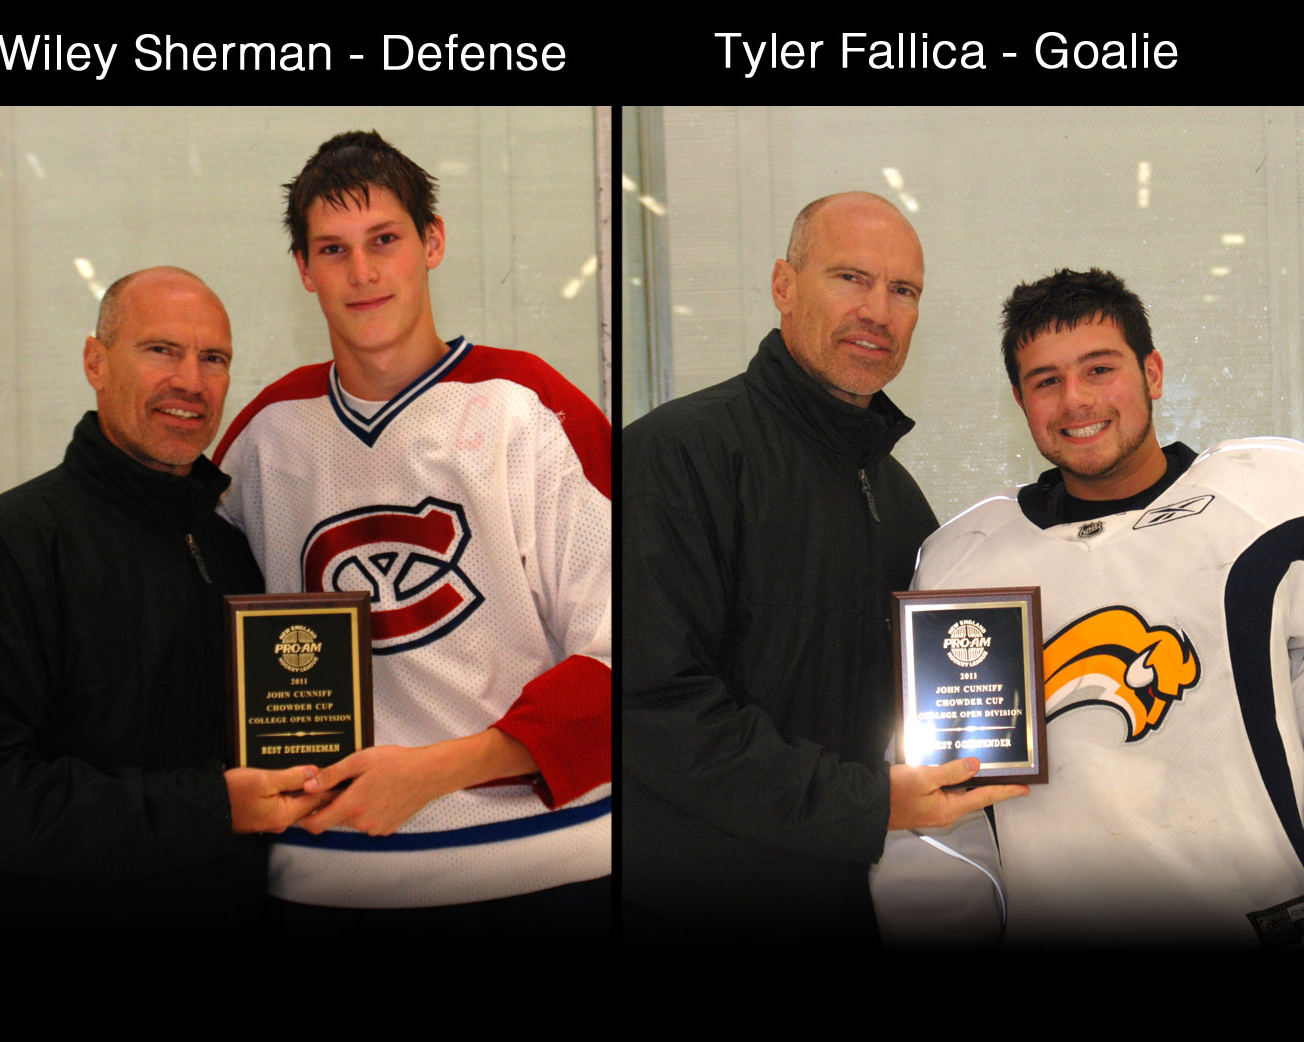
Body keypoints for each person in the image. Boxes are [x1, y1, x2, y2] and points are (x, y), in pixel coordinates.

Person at [213, 130, 612, 941]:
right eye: (333, 249)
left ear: (430, 242)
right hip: (327, 880)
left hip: (543, 868)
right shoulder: (264, 436)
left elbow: (623, 658)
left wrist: (431, 773)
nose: (361, 273)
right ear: (303, 270)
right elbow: (206, 653)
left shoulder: (530, 407)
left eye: (383, 241)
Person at [619, 191, 1025, 945]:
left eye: (902, 291)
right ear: (783, 285)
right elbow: (654, 709)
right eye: (850, 278)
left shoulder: (898, 498)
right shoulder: (677, 455)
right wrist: (871, 805)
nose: (878, 310)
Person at [884, 268, 1304, 946]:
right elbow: (941, 807)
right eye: (1045, 380)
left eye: (1098, 369)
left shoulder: (1269, 502)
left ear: (1152, 373)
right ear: (1020, 401)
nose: (1074, 400)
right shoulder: (962, 563)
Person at [0, 266, 328, 945]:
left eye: (213, 359)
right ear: (95, 361)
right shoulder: (2, 549)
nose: (190, 381)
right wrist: (213, 808)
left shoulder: (233, 546)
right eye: (161, 350)